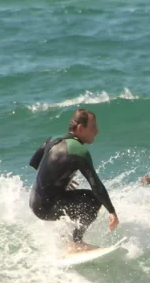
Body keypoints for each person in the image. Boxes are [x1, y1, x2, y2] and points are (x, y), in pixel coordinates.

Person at [29, 108, 119, 252]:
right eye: (93, 127)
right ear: (80, 128)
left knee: (79, 198)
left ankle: (67, 240)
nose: (97, 131)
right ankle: (76, 243)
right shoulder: (79, 152)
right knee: (93, 199)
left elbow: (34, 163)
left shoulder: (53, 139)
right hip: (48, 207)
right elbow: (96, 186)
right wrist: (112, 212)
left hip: (35, 202)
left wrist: (56, 177)